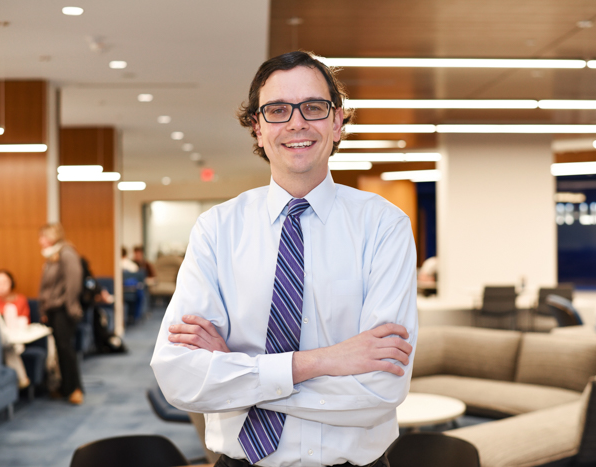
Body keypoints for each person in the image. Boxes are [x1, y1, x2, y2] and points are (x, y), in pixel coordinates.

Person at [151, 51, 417, 467]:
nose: (296, 123)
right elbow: (179, 378)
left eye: (313, 107)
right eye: (277, 110)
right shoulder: (216, 229)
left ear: (337, 122)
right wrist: (325, 360)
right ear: (257, 128)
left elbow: (380, 391)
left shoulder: (384, 226)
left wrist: (239, 375)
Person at [38, 223, 84, 405]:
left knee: (66, 350)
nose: (39, 241)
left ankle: (75, 389)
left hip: (64, 310)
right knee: (60, 350)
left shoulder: (66, 253)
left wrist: (70, 305)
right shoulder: (53, 256)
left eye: (42, 236)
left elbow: (74, 281)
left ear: (51, 236)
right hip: (54, 310)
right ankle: (65, 387)